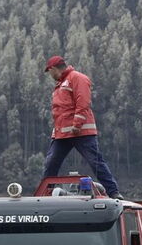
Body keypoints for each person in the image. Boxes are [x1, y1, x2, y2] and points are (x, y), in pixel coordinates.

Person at [42, 56, 123, 199]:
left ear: (53, 69)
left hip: (81, 132)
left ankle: (113, 192)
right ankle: (45, 194)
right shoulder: (60, 85)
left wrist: (77, 124)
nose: (50, 75)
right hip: (62, 135)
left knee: (95, 161)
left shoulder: (77, 78)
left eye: (49, 72)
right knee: (51, 163)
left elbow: (83, 102)